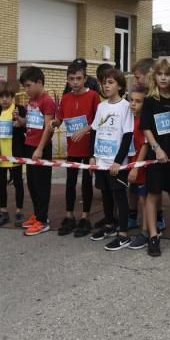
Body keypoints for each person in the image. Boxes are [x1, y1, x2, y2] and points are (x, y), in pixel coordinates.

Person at [43, 62, 100, 237]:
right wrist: (55, 123)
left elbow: (99, 121)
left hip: (88, 147)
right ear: (67, 80)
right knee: (70, 182)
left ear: (85, 79)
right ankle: (69, 216)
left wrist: (86, 130)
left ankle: (85, 217)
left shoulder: (93, 97)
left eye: (78, 78)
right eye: (71, 79)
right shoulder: (66, 97)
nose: (75, 82)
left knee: (86, 183)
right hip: (72, 148)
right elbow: (60, 118)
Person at [140, 58, 170, 257]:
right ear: (154, 76)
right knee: (153, 195)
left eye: (167, 74)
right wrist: (156, 148)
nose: (163, 77)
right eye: (159, 74)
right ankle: (153, 235)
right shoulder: (151, 99)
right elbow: (146, 128)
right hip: (156, 156)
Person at [88, 67, 135, 251]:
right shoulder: (101, 107)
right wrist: (92, 156)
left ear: (120, 85)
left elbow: (127, 135)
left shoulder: (125, 107)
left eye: (110, 82)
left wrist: (118, 161)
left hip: (117, 163)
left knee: (119, 195)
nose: (106, 86)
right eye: (103, 83)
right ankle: (109, 225)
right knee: (105, 194)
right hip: (101, 159)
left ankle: (123, 234)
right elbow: (94, 131)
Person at [19, 67, 57, 236]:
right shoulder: (31, 101)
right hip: (29, 144)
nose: (26, 90)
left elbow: (48, 128)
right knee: (32, 183)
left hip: (40, 148)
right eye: (24, 86)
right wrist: (20, 121)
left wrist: (40, 148)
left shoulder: (47, 100)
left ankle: (43, 220)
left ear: (39, 83)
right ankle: (37, 214)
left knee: (41, 185)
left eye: (28, 86)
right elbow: (31, 122)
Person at [0, 81, 26, 229]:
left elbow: (25, 126)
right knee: (1, 183)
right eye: (0, 97)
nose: (4, 100)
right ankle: (3, 211)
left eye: (7, 96)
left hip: (15, 152)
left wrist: (19, 121)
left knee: (18, 182)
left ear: (12, 97)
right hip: (0, 153)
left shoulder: (19, 109)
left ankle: (19, 211)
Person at [125, 84, 151, 250]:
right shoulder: (128, 117)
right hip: (128, 162)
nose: (133, 104)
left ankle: (146, 231)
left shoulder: (144, 121)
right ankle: (132, 220)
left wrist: (136, 167)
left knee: (144, 198)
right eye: (131, 100)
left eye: (138, 101)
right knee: (132, 192)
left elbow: (144, 145)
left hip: (140, 165)